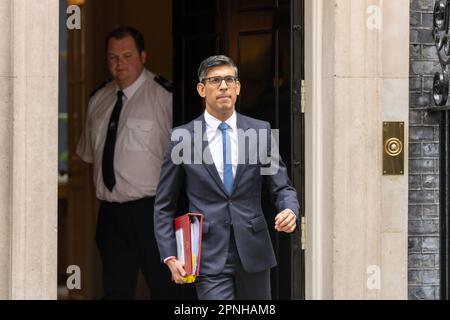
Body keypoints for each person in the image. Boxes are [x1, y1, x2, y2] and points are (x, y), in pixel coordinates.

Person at [153, 55, 300, 300]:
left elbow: (282, 187)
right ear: (201, 89)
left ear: (238, 87)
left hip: (254, 252)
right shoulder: (182, 138)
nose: (223, 86)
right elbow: (163, 204)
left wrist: (290, 210)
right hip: (208, 256)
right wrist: (169, 255)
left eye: (229, 80)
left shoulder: (260, 131)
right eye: (215, 80)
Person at [76, 26, 179, 300]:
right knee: (116, 291)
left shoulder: (165, 97)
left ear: (143, 56)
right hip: (111, 214)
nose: (119, 64)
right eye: (112, 57)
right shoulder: (98, 100)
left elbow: (187, 163)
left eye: (127, 55)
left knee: (166, 288)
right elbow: (90, 160)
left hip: (153, 212)